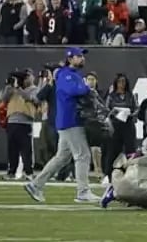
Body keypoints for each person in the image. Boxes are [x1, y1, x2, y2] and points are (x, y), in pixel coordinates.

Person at [25, 47, 97, 204]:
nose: (82, 59)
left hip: (68, 120)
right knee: (83, 155)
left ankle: (35, 184)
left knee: (62, 158)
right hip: (70, 120)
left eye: (82, 56)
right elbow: (74, 90)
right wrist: (86, 87)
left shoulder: (71, 74)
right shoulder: (65, 75)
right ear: (70, 59)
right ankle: (83, 192)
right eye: (79, 56)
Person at [0, 69, 39, 180]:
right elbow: (3, 98)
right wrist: (9, 86)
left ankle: (29, 172)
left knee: (26, 149)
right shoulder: (13, 89)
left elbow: (30, 98)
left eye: (28, 76)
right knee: (12, 149)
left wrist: (19, 88)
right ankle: (11, 172)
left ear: (32, 77)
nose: (26, 79)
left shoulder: (35, 89)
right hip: (12, 121)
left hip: (25, 122)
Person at [102, 73, 138, 181]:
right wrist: (114, 113)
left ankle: (130, 174)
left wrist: (130, 113)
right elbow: (106, 110)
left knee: (130, 150)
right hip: (115, 125)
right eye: (119, 82)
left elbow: (136, 109)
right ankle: (108, 175)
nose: (122, 84)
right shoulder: (111, 96)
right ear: (116, 83)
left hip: (128, 125)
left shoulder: (130, 95)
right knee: (112, 150)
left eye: (124, 82)